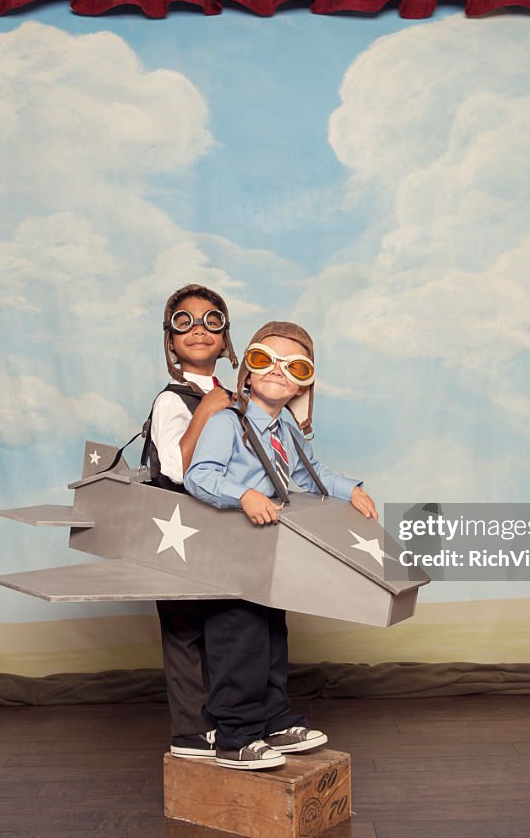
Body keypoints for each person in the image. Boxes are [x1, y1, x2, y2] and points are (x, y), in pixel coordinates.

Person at [184, 321, 377, 769]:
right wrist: (244, 494)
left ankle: (271, 719)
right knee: (238, 641)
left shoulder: (285, 429)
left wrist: (351, 489)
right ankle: (235, 734)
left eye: (293, 367)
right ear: (246, 373)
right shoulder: (226, 423)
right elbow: (200, 475)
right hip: (231, 552)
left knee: (271, 638)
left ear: (301, 387)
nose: (276, 371)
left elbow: (312, 473)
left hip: (269, 554)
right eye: (263, 360)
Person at [141, 283, 237, 760]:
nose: (198, 330)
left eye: (210, 321)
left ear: (225, 339)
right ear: (171, 341)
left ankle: (227, 720)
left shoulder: (234, 396)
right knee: (184, 630)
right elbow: (175, 468)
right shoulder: (171, 401)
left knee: (225, 625)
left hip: (222, 531)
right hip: (178, 529)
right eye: (185, 322)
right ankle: (191, 732)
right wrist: (210, 413)